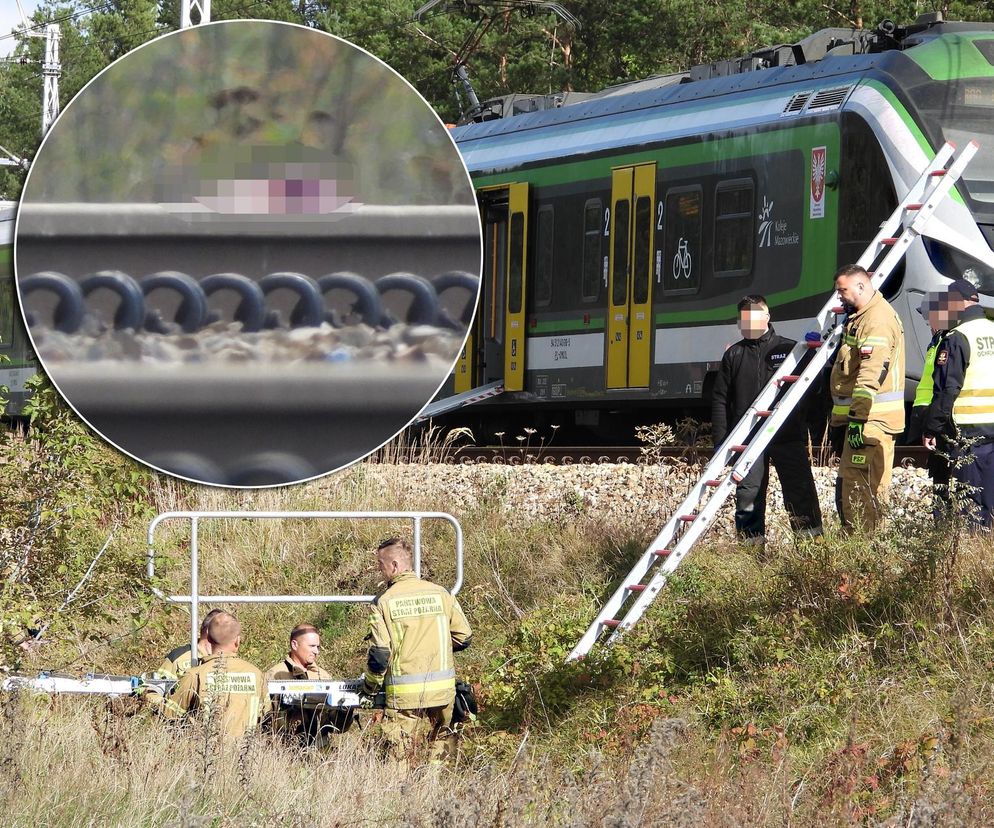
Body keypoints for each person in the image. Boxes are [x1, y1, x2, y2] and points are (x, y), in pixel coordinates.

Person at [711, 295, 823, 544]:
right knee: (748, 495)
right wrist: (720, 440)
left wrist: (812, 356)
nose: (749, 323)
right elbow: (720, 400)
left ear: (767, 317)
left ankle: (812, 551)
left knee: (800, 491)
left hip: (786, 435)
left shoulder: (790, 349)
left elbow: (813, 389)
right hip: (748, 440)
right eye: (744, 319)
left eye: (754, 316)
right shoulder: (734, 355)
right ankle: (752, 555)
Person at [362, 538, 472, 768]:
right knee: (440, 748)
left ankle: (397, 800)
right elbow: (464, 637)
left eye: (380, 565)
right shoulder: (441, 594)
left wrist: (369, 689)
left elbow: (381, 653)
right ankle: (432, 795)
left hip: (405, 695)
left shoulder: (382, 602)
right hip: (443, 691)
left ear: (393, 565)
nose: (379, 570)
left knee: (398, 755)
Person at [830, 264, 906, 532]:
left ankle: (860, 544)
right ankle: (870, 543)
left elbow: (870, 373)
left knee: (857, 482)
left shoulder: (876, 321)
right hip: (871, 418)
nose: (839, 296)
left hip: (871, 419)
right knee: (869, 483)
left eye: (843, 290)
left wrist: (857, 420)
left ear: (861, 286)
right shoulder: (862, 316)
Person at [923, 277, 994, 528]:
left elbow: (948, 388)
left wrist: (932, 427)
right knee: (991, 492)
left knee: (972, 497)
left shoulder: (958, 336)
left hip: (970, 426)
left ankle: (977, 547)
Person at [162, 611, 271, 740]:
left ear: (208, 638)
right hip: (247, 753)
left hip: (205, 754)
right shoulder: (257, 675)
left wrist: (151, 694)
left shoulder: (195, 674)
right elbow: (268, 715)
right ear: (237, 641)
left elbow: (170, 713)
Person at [908, 292, 951, 503]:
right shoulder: (936, 340)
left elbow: (945, 385)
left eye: (929, 316)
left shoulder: (949, 341)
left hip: (940, 416)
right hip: (930, 413)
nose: (927, 322)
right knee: (939, 473)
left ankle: (944, 520)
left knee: (943, 473)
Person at [265, 623, 334, 744]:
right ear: (294, 645)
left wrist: (345, 711)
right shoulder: (276, 675)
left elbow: (337, 725)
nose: (316, 651)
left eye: (318, 647)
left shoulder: (323, 676)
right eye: (312, 646)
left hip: (319, 751)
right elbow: (263, 717)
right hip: (283, 750)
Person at [153, 608, 224, 681]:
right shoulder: (177, 657)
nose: (228, 635)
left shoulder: (227, 658)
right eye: (224, 630)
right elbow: (158, 687)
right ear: (209, 631)